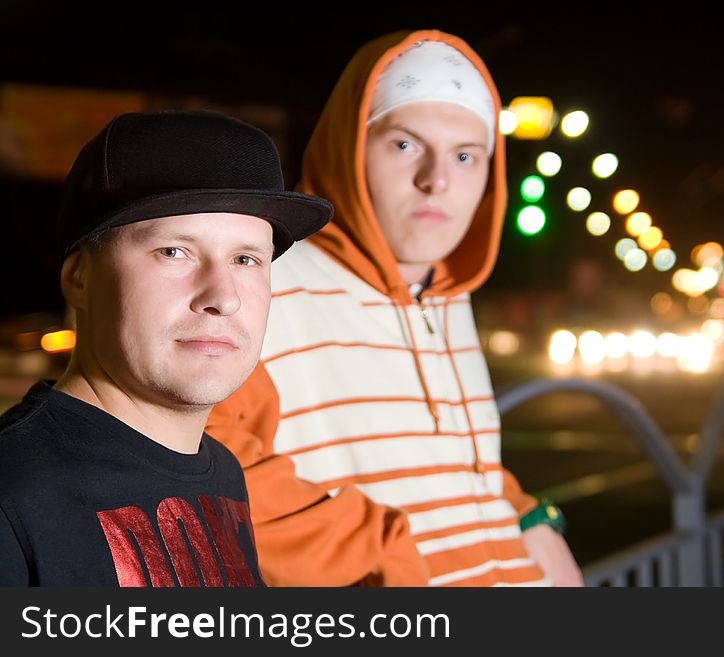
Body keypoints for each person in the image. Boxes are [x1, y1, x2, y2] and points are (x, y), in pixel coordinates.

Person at [208, 30, 583, 586]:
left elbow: (451, 459)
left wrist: (528, 514)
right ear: (348, 147)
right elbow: (201, 466)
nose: (437, 181)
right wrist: (380, 556)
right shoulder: (262, 277)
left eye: (465, 155)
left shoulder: (447, 291)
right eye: (405, 144)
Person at [0, 109, 338, 586]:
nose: (222, 297)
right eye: (174, 252)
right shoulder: (15, 494)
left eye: (246, 258)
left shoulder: (222, 473)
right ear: (80, 277)